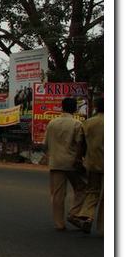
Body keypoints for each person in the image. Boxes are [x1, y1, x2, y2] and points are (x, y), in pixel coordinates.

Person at [44, 97, 87, 231]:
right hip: (72, 162)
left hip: (55, 162)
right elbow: (80, 144)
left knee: (58, 194)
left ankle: (59, 223)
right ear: (75, 108)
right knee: (82, 189)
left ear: (62, 107)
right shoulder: (77, 124)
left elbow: (46, 144)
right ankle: (74, 213)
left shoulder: (52, 123)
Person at [78, 97, 104, 234]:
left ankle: (87, 216)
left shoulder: (88, 123)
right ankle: (103, 227)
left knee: (93, 191)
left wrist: (79, 159)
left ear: (96, 107)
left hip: (92, 162)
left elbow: (81, 144)